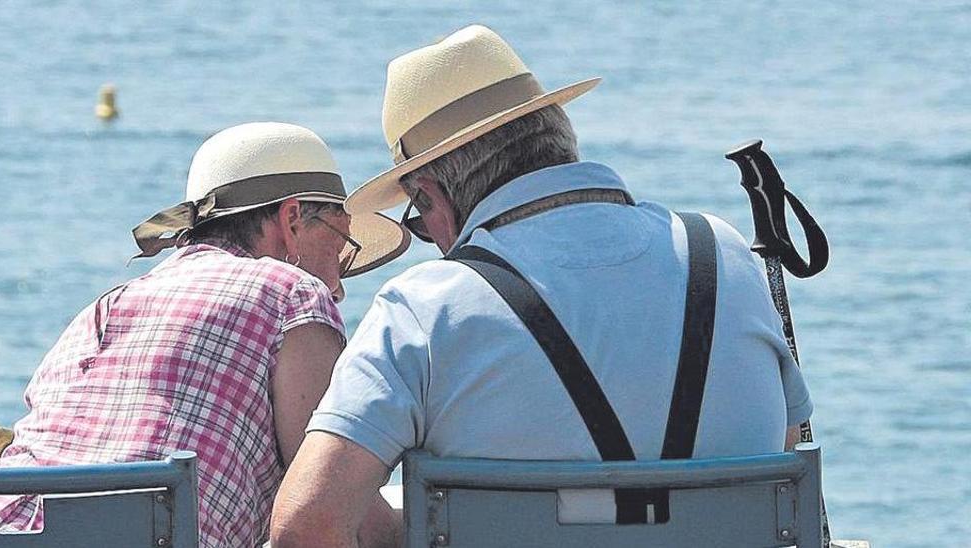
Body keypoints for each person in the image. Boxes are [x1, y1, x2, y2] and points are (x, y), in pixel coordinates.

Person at [270, 25, 813, 546]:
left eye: (419, 217)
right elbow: (785, 449)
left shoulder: (424, 308)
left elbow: (305, 524)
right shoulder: (723, 254)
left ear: (434, 196)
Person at [0, 122, 409, 548]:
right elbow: (329, 511)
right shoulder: (292, 293)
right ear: (290, 220)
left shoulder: (109, 305)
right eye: (343, 245)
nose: (340, 286)